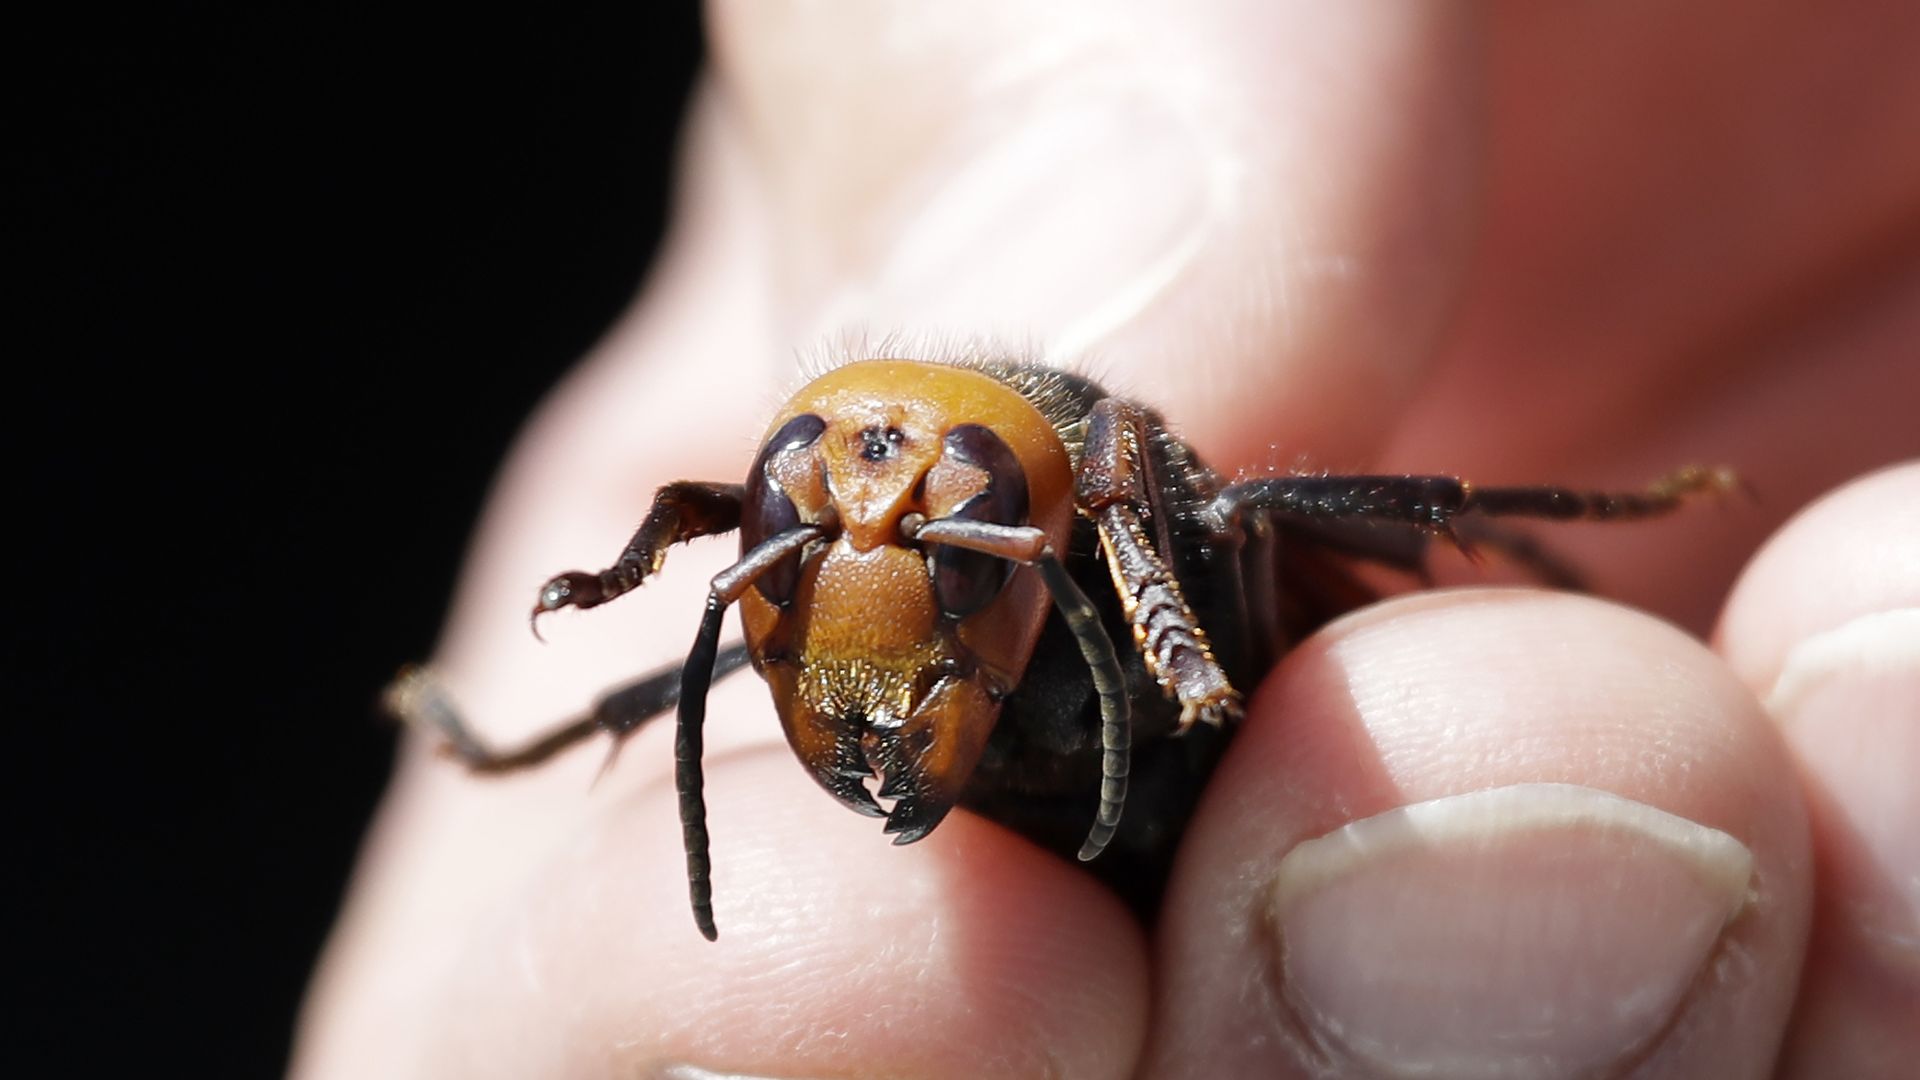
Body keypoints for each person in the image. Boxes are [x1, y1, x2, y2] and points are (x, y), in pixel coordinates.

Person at [293, 5, 1918, 1076]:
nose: (853, 543)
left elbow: (1169, 503)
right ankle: (529, 754)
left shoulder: (1122, 488)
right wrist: (639, 580)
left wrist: (1606, 523)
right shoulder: (817, 531)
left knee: (1271, 516)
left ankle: (1597, 533)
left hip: (1217, 773)